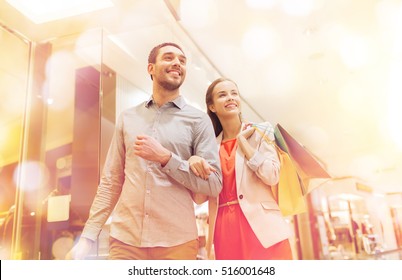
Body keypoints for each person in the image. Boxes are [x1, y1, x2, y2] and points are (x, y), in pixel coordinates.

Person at [65, 42, 222, 260]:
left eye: (182, 60)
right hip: (125, 242)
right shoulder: (128, 118)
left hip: (176, 243)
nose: (177, 62)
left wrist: (167, 158)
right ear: (151, 68)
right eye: (168, 57)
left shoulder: (199, 120)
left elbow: (214, 185)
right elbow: (111, 182)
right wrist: (87, 238)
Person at [190, 77, 293, 260]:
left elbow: (272, 175)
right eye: (222, 95)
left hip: (263, 228)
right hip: (224, 229)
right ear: (212, 107)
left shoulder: (261, 131)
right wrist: (194, 164)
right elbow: (199, 198)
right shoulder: (209, 147)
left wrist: (244, 144)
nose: (230, 98)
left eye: (234, 93)